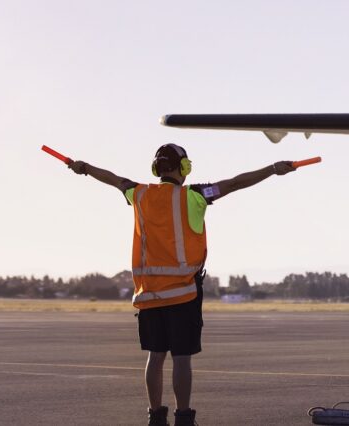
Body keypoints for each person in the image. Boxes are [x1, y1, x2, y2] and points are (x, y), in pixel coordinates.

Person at [68, 143, 296, 426]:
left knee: (155, 356)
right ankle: (184, 417)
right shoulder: (196, 196)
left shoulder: (138, 194)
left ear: (156, 169)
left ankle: (155, 417)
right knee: (182, 359)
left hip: (149, 295)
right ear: (184, 168)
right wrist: (273, 170)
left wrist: (85, 168)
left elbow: (113, 178)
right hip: (183, 294)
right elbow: (236, 183)